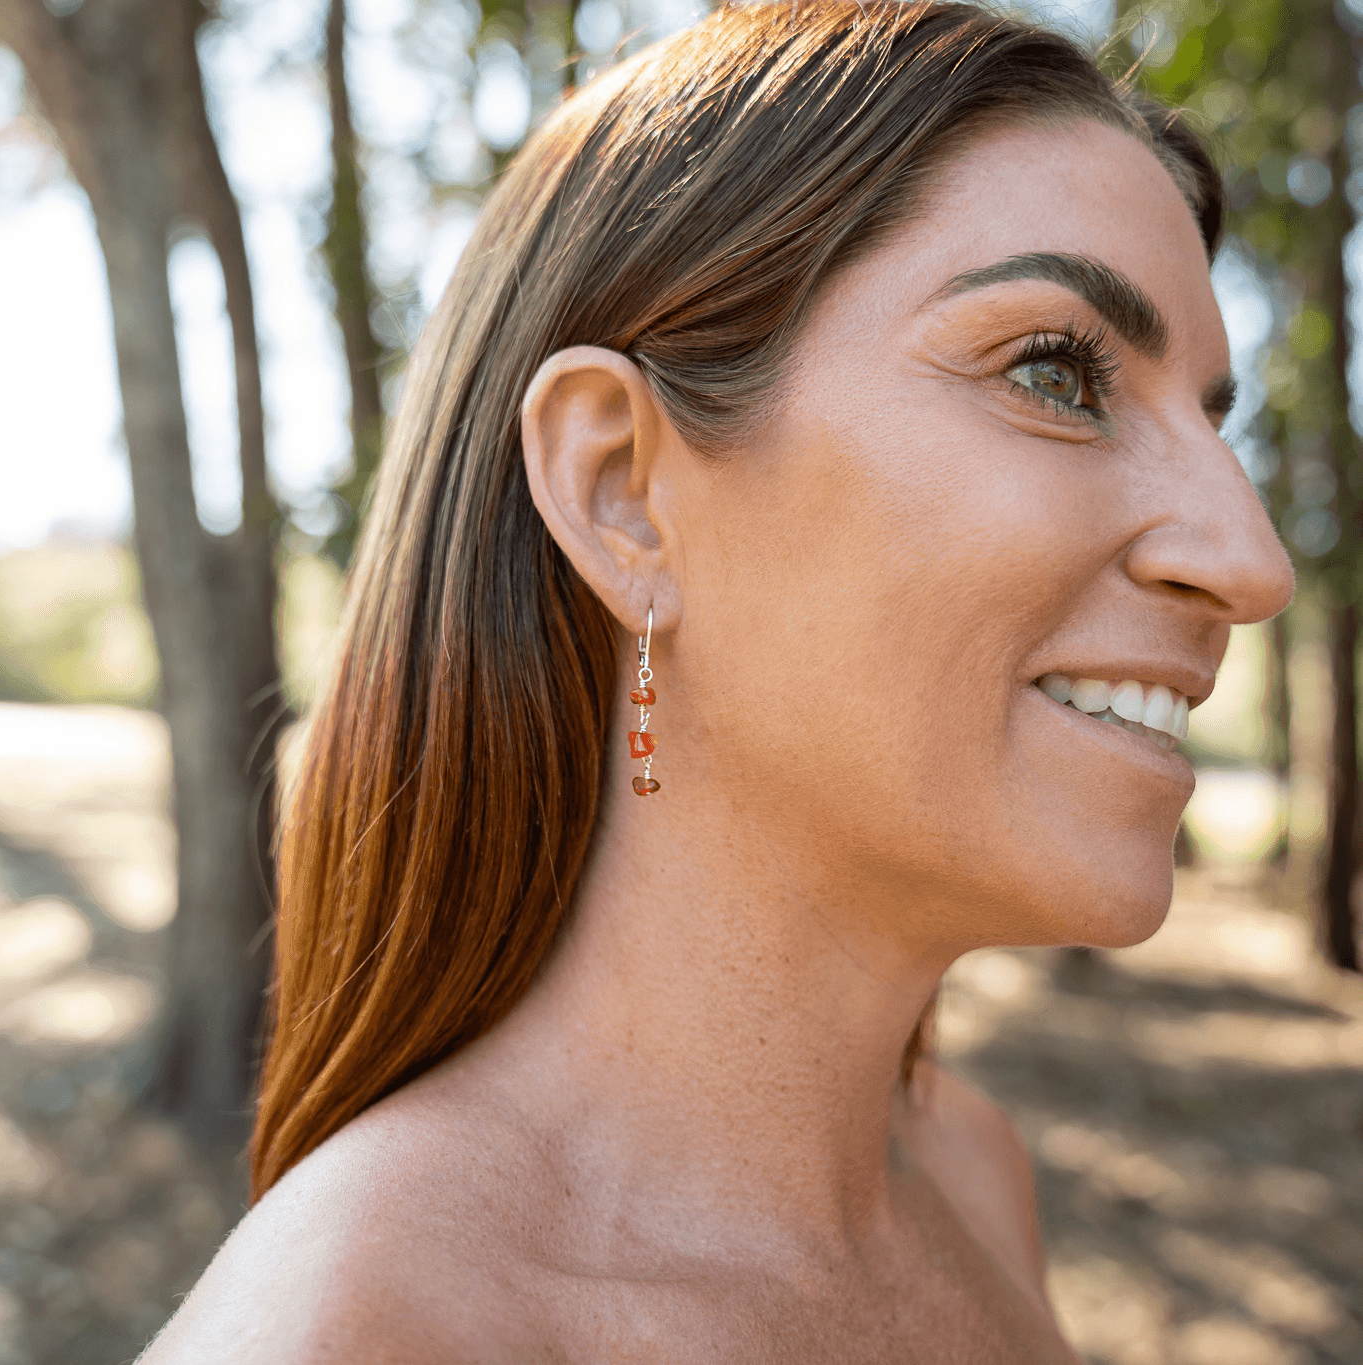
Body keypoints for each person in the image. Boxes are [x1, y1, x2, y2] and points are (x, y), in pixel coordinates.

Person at [143, 2, 1294, 1360]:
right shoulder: (364, 1333)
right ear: (623, 492)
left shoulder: (974, 1182)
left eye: (1213, 421)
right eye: (1055, 370)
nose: (1250, 558)